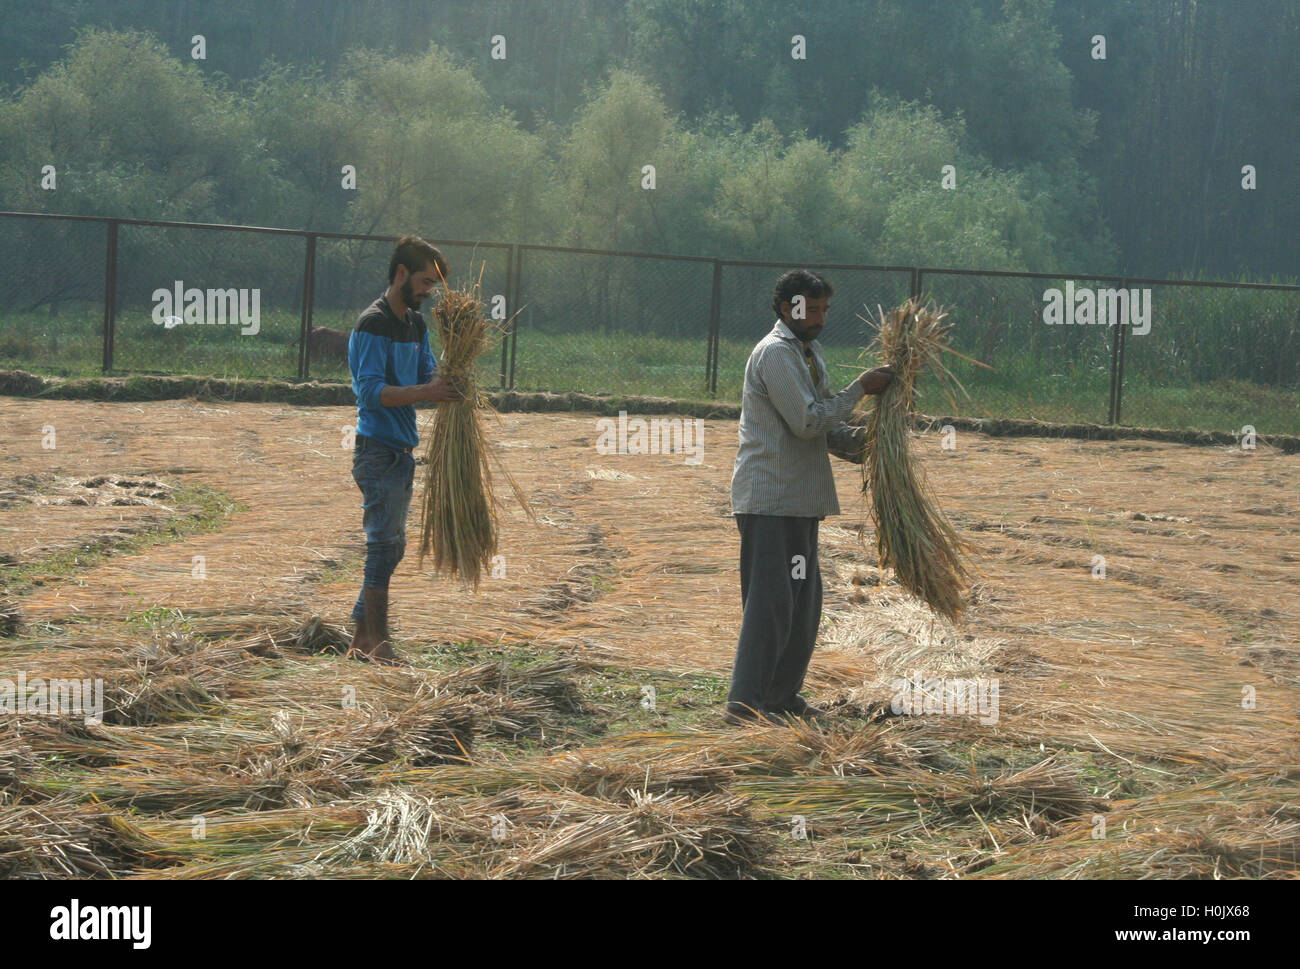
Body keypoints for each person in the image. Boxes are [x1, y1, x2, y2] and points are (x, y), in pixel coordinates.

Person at [725, 269, 894, 725]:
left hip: (800, 499)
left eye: (823, 309)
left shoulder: (808, 351)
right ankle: (745, 707)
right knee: (771, 603)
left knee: (802, 604)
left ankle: (780, 697)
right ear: (786, 309)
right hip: (770, 499)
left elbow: (826, 427)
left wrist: (876, 446)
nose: (819, 318)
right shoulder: (776, 354)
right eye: (810, 309)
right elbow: (807, 421)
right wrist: (860, 388)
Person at [347, 235, 462, 664]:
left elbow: (428, 376)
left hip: (402, 450)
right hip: (376, 449)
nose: (429, 292)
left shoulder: (415, 326)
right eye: (425, 282)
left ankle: (362, 634)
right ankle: (378, 642)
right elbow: (372, 392)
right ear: (400, 274)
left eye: (433, 285)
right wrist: (427, 389)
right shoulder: (372, 323)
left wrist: (453, 379)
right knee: (383, 544)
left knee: (391, 546)